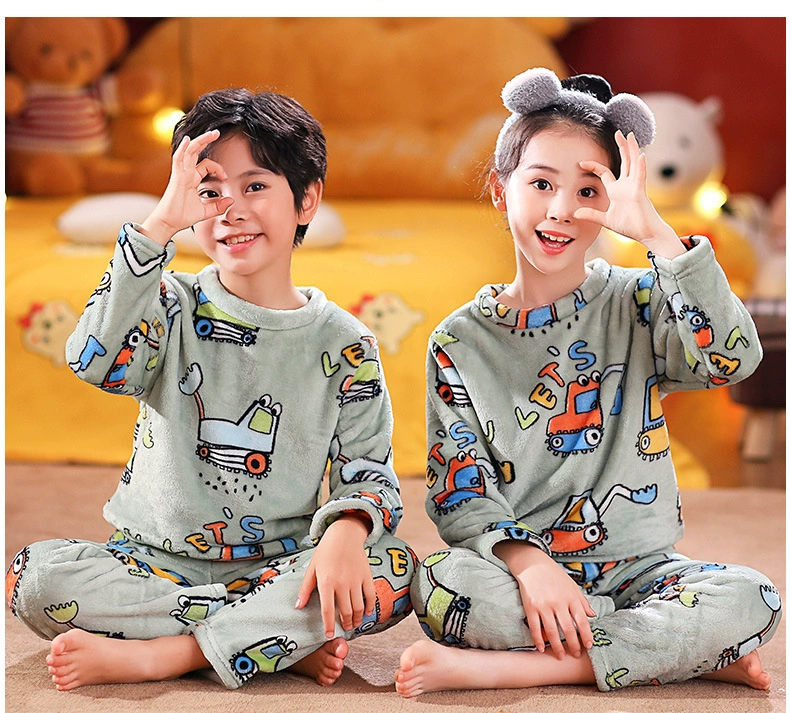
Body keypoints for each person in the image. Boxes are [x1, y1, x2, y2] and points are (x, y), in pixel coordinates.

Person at [5, 88, 417, 691]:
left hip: (278, 567)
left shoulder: (346, 343)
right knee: (34, 578)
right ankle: (267, 642)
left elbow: (368, 473)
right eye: (210, 191)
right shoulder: (167, 303)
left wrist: (346, 533)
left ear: (306, 199)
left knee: (394, 572)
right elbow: (93, 360)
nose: (231, 210)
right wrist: (158, 228)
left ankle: (168, 654)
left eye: (256, 186)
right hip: (150, 562)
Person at [394, 67, 781, 697]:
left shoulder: (643, 300)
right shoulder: (459, 341)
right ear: (500, 189)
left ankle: (546, 664)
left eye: (588, 190)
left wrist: (656, 233)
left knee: (754, 597)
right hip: (522, 576)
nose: (561, 210)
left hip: (644, 574)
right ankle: (673, 650)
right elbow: (461, 491)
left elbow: (734, 360)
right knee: (440, 585)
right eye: (541, 183)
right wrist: (531, 566)